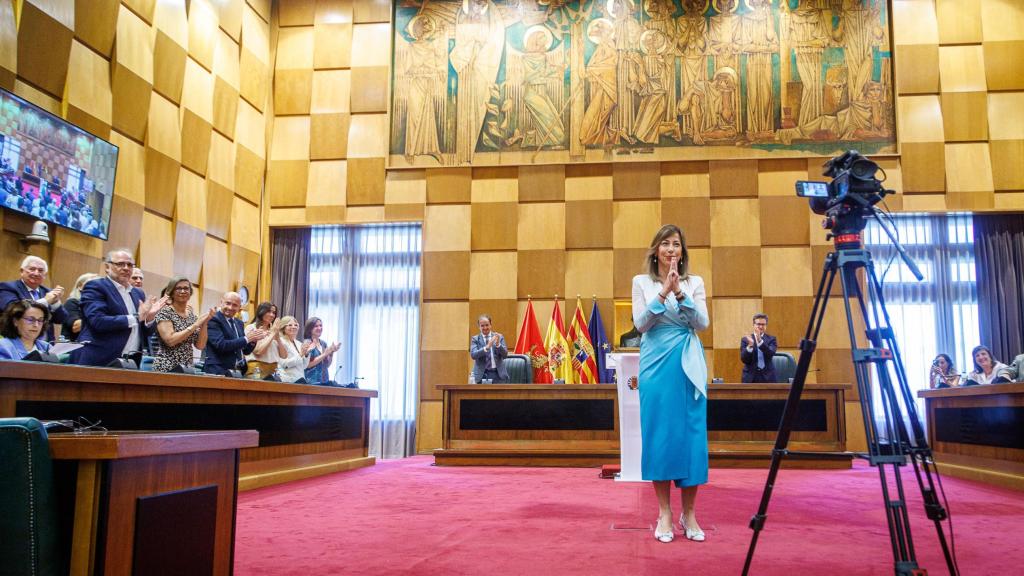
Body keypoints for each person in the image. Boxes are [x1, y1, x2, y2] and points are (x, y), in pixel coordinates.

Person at [631, 224, 710, 543]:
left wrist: (680, 291)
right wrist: (663, 291)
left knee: (691, 436)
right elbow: (641, 324)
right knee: (660, 435)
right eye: (665, 244)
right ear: (655, 250)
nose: (671, 249)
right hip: (655, 363)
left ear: (683, 251)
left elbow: (702, 323)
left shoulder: (695, 282)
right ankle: (664, 512)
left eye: (676, 244)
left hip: (688, 361)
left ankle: (688, 513)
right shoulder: (641, 282)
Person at [72, 249, 168, 366]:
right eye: (120, 264)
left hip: (131, 360)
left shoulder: (138, 293)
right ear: (107, 267)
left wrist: (149, 318)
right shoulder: (96, 287)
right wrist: (137, 317)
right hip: (99, 358)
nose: (126, 268)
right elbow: (98, 321)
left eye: (130, 265)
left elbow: (144, 332)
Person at [0, 255, 68, 341]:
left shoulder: (47, 292)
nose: (36, 273)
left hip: (44, 345)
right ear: (22, 271)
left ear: (44, 275)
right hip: (16, 343)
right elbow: (13, 310)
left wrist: (55, 302)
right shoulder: (7, 287)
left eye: (40, 270)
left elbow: (61, 319)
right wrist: (45, 301)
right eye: (32, 269)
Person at [151, 277, 212, 372]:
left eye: (186, 288)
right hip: (166, 367)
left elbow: (200, 346)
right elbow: (170, 340)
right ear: (171, 292)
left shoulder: (192, 316)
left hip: (187, 368)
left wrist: (204, 323)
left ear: (190, 292)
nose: (183, 291)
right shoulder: (164, 312)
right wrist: (195, 325)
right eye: (178, 288)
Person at [204, 292, 267, 376]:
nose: (230, 307)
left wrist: (253, 339)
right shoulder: (213, 319)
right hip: (218, 370)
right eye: (228, 303)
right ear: (221, 302)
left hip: (238, 370)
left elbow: (245, 350)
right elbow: (221, 345)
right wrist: (247, 338)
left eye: (235, 305)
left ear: (239, 307)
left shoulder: (239, 323)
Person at [245, 301, 284, 376]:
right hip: (257, 367)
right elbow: (259, 352)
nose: (272, 315)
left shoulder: (274, 329)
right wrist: (272, 334)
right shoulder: (251, 328)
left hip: (274, 368)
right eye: (269, 311)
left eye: (274, 313)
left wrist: (278, 337)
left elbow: (284, 356)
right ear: (261, 312)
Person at [61, 272, 100, 342]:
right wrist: (101, 318)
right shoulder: (72, 302)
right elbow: (76, 327)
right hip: (72, 347)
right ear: (79, 286)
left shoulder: (100, 305)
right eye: (91, 284)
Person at [740, 313, 778, 383]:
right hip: (750, 376)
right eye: (758, 324)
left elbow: (770, 353)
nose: (760, 327)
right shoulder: (746, 339)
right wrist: (750, 345)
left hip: (769, 377)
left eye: (763, 324)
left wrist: (760, 341)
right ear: (753, 325)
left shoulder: (772, 339)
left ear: (766, 325)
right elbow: (744, 359)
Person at [470, 314, 508, 383]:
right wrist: (486, 347)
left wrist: (498, 345)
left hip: (498, 374)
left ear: (491, 325)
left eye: (487, 325)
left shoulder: (499, 337)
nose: (485, 328)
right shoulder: (475, 339)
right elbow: (473, 355)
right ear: (479, 327)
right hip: (481, 375)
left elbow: (505, 355)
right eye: (482, 326)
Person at [273, 316, 311, 383]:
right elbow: (284, 364)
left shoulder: (299, 343)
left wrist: (306, 354)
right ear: (283, 328)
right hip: (287, 380)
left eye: (296, 325)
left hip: (300, 380)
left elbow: (304, 366)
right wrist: (300, 354)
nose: (293, 327)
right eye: (290, 325)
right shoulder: (280, 341)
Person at [303, 317, 339, 384]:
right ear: (310, 329)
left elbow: (327, 365)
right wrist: (324, 354)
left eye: (320, 325)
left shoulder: (323, 343)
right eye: (316, 326)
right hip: (311, 381)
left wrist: (331, 353)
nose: (319, 328)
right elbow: (307, 365)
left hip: (324, 380)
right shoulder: (307, 343)